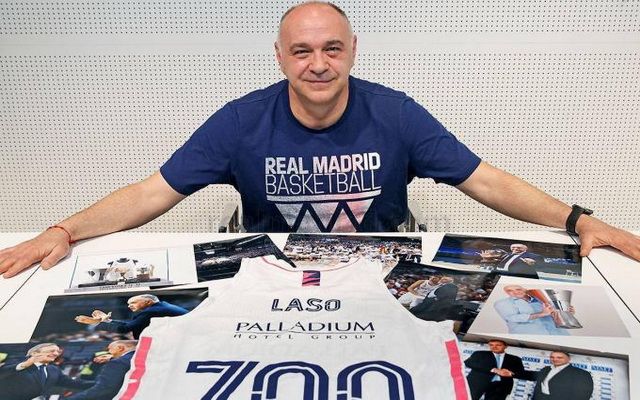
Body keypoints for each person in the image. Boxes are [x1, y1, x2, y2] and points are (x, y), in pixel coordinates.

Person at [1, 1, 639, 279]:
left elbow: (486, 180)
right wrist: (64, 230)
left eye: (332, 48)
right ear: (280, 56)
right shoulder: (241, 120)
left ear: (352, 50)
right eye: (302, 51)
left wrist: (580, 219)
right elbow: (150, 193)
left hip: (379, 268)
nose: (318, 64)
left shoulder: (395, 114)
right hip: (272, 272)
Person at [0, 343, 93, 400]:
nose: (56, 354)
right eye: (51, 351)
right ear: (35, 353)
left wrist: (100, 383)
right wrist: (25, 364)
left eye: (57, 352)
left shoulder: (53, 370)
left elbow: (74, 383)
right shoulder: (16, 360)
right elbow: (4, 370)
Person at [74, 294, 188, 339]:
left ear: (148, 301)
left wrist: (97, 322)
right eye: (128, 304)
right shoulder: (160, 306)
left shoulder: (151, 311)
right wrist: (108, 320)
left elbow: (124, 329)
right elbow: (131, 324)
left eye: (133, 303)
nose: (129, 306)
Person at [67, 340, 137, 400]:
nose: (108, 352)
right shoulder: (137, 358)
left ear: (120, 348)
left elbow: (104, 388)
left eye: (109, 349)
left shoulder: (117, 362)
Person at [493, 284, 572, 335]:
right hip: (531, 336)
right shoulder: (502, 303)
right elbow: (512, 318)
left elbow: (555, 314)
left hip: (558, 334)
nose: (515, 292)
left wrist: (566, 312)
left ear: (525, 289)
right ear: (506, 293)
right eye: (509, 291)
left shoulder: (542, 298)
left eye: (518, 289)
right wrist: (542, 314)